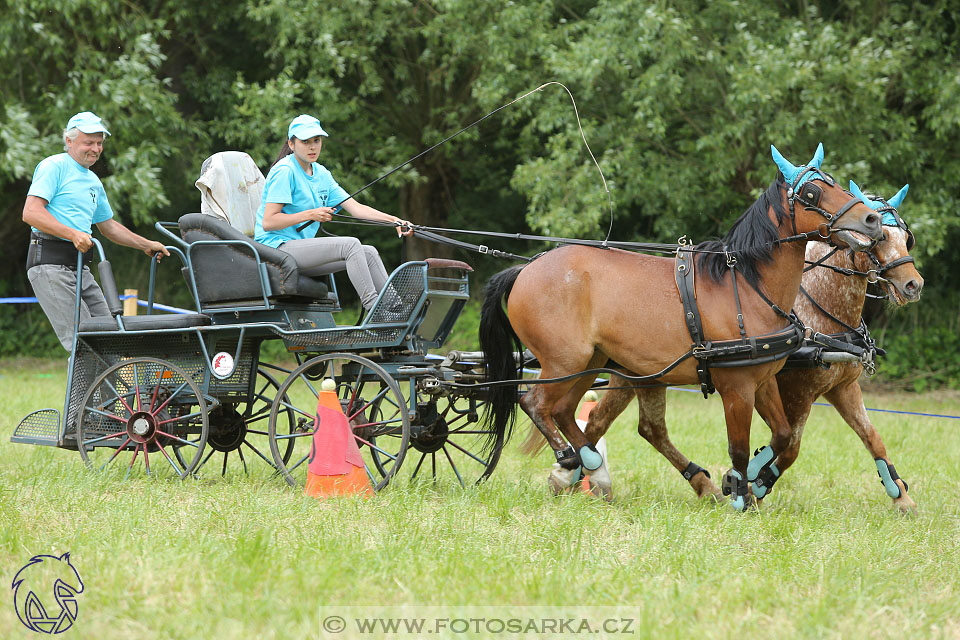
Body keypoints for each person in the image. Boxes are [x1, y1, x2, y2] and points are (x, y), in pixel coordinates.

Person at [22, 111, 170, 350]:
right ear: (69, 141)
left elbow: (108, 226)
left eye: (99, 143)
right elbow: (31, 212)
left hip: (81, 267)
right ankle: (84, 388)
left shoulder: (93, 181)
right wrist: (72, 234)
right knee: (85, 343)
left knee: (110, 334)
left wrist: (146, 245)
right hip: (50, 265)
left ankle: (106, 388)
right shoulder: (54, 166)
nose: (95, 148)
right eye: (88, 142)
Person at [254, 114, 412, 312]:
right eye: (305, 141)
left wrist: (394, 221)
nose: (312, 147)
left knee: (368, 252)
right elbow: (269, 222)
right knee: (351, 245)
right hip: (275, 250)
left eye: (317, 141)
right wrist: (310, 214)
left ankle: (397, 312)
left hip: (297, 252)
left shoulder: (321, 174)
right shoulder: (285, 171)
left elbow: (357, 208)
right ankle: (375, 310)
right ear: (291, 144)